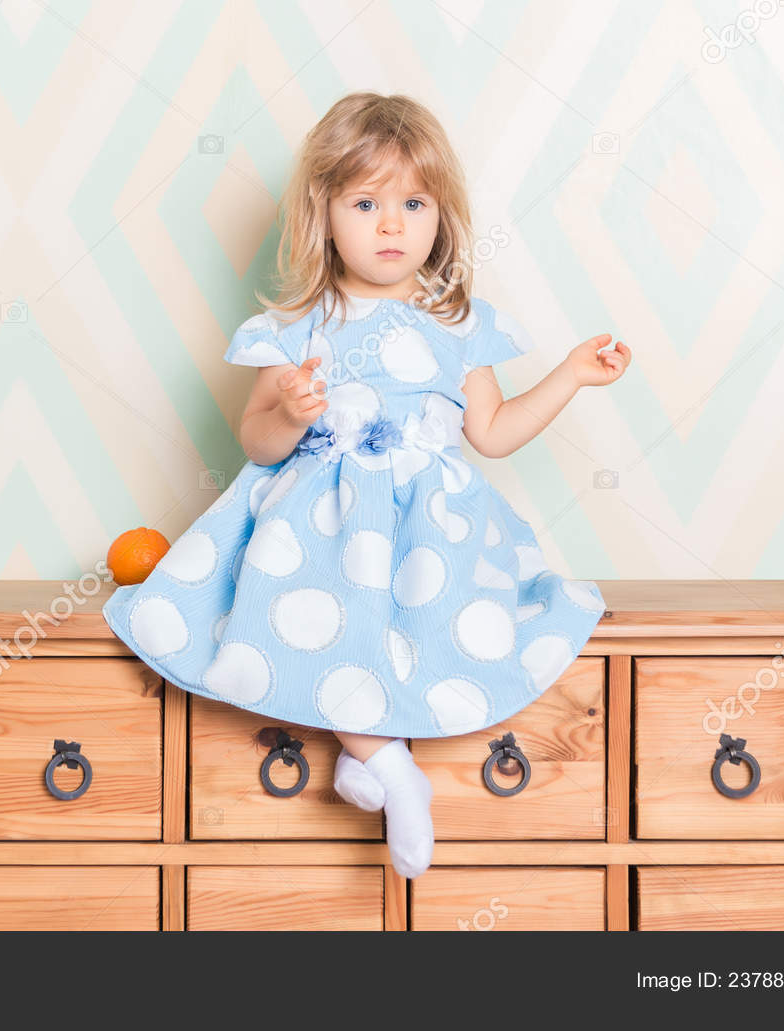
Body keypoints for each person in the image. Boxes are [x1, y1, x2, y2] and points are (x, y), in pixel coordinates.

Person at [103, 91, 631, 877]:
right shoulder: (301, 323)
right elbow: (254, 440)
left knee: (419, 637)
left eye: (413, 203)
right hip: (321, 533)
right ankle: (390, 768)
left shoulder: (458, 323)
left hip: (429, 537)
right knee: (322, 626)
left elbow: (492, 432)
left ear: (440, 215)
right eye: (366, 202)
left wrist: (570, 376)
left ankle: (365, 753)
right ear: (326, 214)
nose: (392, 225)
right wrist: (286, 408)